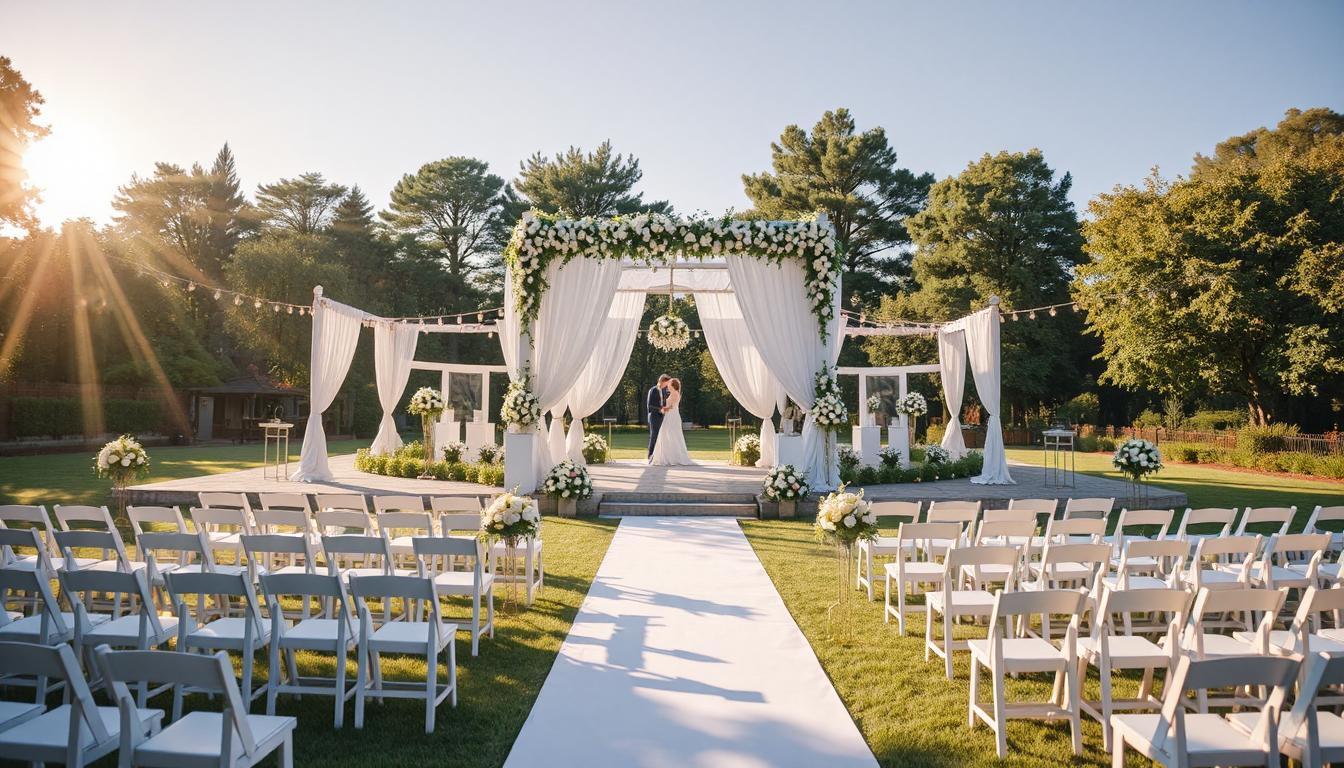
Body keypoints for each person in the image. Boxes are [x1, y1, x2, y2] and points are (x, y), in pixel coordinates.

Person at [649, 378, 694, 466]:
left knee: (672, 436)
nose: (668, 387)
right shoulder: (674, 393)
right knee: (667, 435)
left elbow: (671, 407)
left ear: (673, 386)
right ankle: (669, 455)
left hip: (672, 416)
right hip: (670, 416)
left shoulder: (675, 394)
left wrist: (663, 409)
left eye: (669, 385)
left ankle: (672, 457)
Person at [647, 374, 670, 459]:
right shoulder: (653, 390)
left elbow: (663, 403)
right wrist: (660, 409)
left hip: (661, 416)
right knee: (654, 435)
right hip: (654, 416)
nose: (667, 385)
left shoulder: (663, 391)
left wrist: (665, 408)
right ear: (662, 381)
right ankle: (650, 455)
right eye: (667, 383)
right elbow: (650, 405)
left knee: (660, 436)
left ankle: (658, 456)